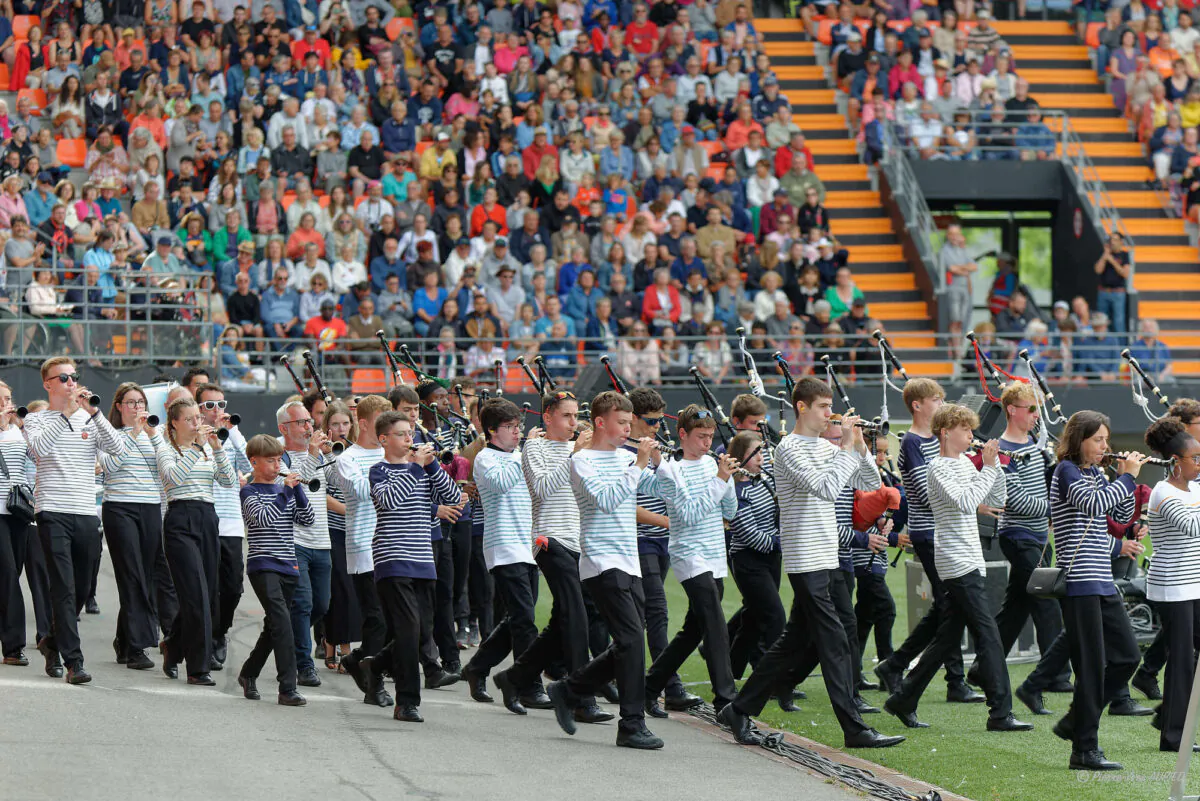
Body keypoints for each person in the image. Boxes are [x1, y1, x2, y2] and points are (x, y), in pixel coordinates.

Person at [717, 377, 904, 751]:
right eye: (823, 406)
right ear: (801, 407)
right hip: (805, 556)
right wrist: (847, 449)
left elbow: (868, 481)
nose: (829, 414)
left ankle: (739, 709)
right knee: (834, 640)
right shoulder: (789, 449)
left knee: (792, 641)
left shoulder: (825, 447)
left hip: (827, 554)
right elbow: (825, 488)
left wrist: (861, 448)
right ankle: (854, 728)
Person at [883, 404, 1031, 732]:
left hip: (969, 558)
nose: (971, 435)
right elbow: (966, 503)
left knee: (947, 637)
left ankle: (903, 698)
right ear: (946, 431)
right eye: (965, 430)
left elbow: (995, 496)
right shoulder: (938, 468)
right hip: (955, 560)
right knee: (989, 635)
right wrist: (990, 468)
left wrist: (998, 469)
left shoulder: (965, 462)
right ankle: (1000, 712)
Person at [546, 391, 665, 750]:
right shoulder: (582, 461)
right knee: (630, 641)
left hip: (629, 561)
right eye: (623, 423)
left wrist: (660, 465)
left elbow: (659, 491)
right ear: (601, 422)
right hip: (601, 561)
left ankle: (568, 689)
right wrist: (640, 465)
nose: (629, 429)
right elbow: (609, 500)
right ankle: (631, 723)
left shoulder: (628, 459)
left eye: (631, 423)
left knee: (628, 643)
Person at [497, 390, 612, 723]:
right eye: (567, 416)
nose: (574, 423)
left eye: (577, 416)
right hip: (550, 538)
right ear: (547, 417)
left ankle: (514, 677)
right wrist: (574, 456)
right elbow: (543, 489)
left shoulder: (585, 450)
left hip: (582, 541)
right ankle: (581, 697)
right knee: (575, 614)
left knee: (569, 618)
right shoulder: (535, 446)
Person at [874, 379, 983, 703]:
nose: (940, 403)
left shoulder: (937, 443)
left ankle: (897, 664)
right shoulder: (911, 441)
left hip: (945, 531)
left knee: (946, 607)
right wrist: (967, 495)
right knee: (951, 607)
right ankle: (952, 679)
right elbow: (925, 492)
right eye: (935, 399)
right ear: (918, 405)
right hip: (929, 532)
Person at [24, 358, 129, 684]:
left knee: (82, 587)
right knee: (64, 589)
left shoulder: (90, 418)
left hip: (85, 512)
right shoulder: (36, 420)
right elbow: (39, 450)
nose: (72, 383)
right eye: (64, 378)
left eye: (74, 377)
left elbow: (119, 451)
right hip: (51, 511)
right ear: (48, 384)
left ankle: (51, 642)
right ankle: (74, 662)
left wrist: (95, 414)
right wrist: (67, 414)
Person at [1050, 411, 1145, 771]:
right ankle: (1084, 749)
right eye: (1098, 440)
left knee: (1127, 657)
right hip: (1079, 584)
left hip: (1102, 580)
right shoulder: (1066, 472)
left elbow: (1117, 516)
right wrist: (1125, 477)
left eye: (1106, 440)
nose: (1106, 446)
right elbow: (1091, 506)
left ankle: (1076, 720)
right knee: (1090, 668)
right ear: (1080, 440)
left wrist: (1124, 483)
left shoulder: (1094, 473)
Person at [969, 383, 1071, 712]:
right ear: (1012, 410)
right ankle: (1053, 675)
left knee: (1017, 609)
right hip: (1018, 535)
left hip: (1039, 537)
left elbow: (1045, 488)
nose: (1035, 415)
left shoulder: (1038, 447)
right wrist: (1056, 509)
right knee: (1047, 602)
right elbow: (1016, 499)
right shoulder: (999, 451)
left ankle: (983, 669)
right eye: (1030, 409)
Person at [358, 411, 459, 723]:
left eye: (411, 433)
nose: (409, 439)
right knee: (408, 629)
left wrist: (434, 468)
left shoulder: (422, 470)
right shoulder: (379, 471)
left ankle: (373, 666)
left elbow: (454, 497)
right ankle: (406, 702)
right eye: (402, 434)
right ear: (384, 439)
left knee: (417, 634)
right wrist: (415, 468)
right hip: (392, 558)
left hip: (423, 560)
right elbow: (389, 502)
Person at [643, 404, 739, 712]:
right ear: (683, 434)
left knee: (692, 631)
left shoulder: (713, 466)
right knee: (715, 624)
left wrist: (729, 481)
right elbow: (689, 514)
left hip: (714, 555)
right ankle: (727, 699)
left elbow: (730, 512)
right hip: (689, 555)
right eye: (701, 436)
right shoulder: (672, 469)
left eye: (711, 436)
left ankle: (649, 686)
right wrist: (721, 480)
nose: (708, 443)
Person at [461, 399, 550, 714]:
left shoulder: (516, 456)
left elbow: (532, 496)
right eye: (510, 428)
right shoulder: (486, 459)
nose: (517, 433)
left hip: (526, 547)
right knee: (525, 621)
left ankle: (477, 667)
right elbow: (500, 485)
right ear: (491, 430)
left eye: (518, 427)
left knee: (517, 619)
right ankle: (528, 685)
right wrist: (527, 454)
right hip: (502, 547)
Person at [626, 387, 699, 715]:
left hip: (661, 542)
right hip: (638, 540)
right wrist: (668, 521)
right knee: (657, 611)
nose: (656, 426)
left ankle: (632, 682)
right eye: (650, 421)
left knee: (643, 617)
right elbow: (627, 506)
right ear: (633, 418)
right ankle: (666, 687)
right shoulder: (627, 453)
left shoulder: (656, 451)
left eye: (659, 420)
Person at [156, 395, 235, 685]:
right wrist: (198, 447)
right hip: (180, 516)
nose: (196, 423)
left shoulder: (206, 450)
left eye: (197, 418)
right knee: (195, 594)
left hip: (207, 516)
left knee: (207, 592)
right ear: (174, 423)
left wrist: (217, 449)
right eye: (189, 419)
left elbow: (227, 481)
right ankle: (197, 667)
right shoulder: (166, 449)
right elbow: (174, 478)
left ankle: (173, 644)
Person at [237, 434, 314, 707]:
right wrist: (288, 491)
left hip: (288, 565)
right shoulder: (249, 492)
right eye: (270, 461)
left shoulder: (286, 491)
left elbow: (308, 519)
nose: (276, 465)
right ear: (254, 462)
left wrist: (299, 490)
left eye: (279, 460)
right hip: (263, 564)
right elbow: (264, 519)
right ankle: (287, 688)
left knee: (274, 627)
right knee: (283, 623)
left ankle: (248, 674)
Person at [99, 382, 171, 672]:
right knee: (131, 574)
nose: (137, 407)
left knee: (146, 574)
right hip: (119, 507)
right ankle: (138, 646)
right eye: (130, 402)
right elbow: (111, 466)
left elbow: (166, 469)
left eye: (141, 402)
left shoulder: (156, 435)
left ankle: (124, 640)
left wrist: (154, 436)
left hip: (150, 507)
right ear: (119, 406)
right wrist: (135, 433)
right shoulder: (109, 435)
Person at [330, 395, 392, 707]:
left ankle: (357, 660)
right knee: (376, 618)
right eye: (383, 421)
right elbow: (361, 491)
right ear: (364, 423)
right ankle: (374, 683)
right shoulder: (347, 458)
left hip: (395, 545)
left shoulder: (394, 453)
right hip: (364, 546)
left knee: (392, 620)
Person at [1143, 417, 1200, 752]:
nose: (1199, 465)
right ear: (1176, 463)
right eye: (1195, 459)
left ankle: (1168, 715)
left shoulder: (1193, 488)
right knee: (1181, 660)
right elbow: (1192, 528)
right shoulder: (1163, 493)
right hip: (1173, 588)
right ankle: (1173, 736)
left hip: (1193, 585)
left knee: (1188, 659)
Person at [277, 400, 334, 688]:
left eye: (310, 421)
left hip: (321, 540)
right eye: (301, 423)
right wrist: (313, 454)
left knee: (321, 605)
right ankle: (304, 664)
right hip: (295, 540)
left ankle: (286, 636)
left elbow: (335, 483)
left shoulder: (319, 455)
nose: (309, 427)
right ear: (283, 428)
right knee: (303, 604)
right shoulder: (281, 458)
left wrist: (333, 454)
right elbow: (301, 482)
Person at [194, 383, 252, 669]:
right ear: (198, 409)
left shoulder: (231, 436)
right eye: (209, 405)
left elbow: (250, 464)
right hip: (203, 518)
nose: (217, 410)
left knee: (232, 588)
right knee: (207, 585)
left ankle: (220, 632)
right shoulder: (193, 435)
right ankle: (207, 638)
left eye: (221, 404)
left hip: (230, 522)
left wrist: (234, 432)